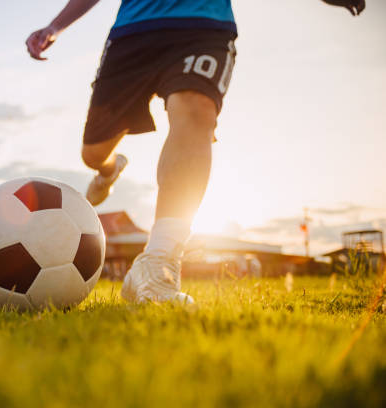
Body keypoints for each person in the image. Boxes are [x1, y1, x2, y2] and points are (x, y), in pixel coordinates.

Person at [25, 0, 365, 304]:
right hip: (133, 33)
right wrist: (55, 26)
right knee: (93, 152)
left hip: (204, 25)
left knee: (195, 109)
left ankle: (159, 263)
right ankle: (108, 169)